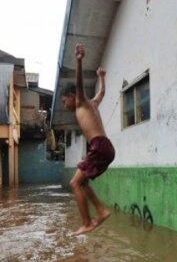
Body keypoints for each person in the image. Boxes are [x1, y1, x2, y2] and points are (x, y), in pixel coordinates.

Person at [60, 44, 114, 236]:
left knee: (74, 184)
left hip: (99, 146)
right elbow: (102, 93)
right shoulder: (92, 103)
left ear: (71, 96)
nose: (64, 105)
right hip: (105, 147)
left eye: (64, 101)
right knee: (82, 183)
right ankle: (101, 210)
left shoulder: (81, 102)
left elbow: (79, 84)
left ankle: (86, 223)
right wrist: (102, 78)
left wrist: (79, 61)